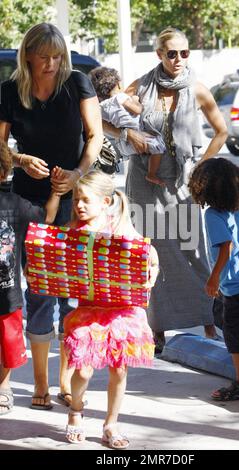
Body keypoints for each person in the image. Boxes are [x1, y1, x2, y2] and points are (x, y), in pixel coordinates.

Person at [102, 27, 228, 353]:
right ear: (159, 54)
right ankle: (156, 329)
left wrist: (202, 167)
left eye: (184, 53)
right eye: (171, 53)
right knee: (152, 254)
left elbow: (221, 132)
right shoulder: (141, 87)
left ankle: (211, 320)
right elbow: (99, 113)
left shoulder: (197, 89)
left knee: (193, 250)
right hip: (143, 184)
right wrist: (128, 136)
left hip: (184, 185)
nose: (178, 59)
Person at [0, 22, 103, 410]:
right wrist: (22, 160)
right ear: (28, 56)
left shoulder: (77, 82)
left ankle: (67, 383)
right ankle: (40, 385)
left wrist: (77, 174)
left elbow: (95, 137)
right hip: (26, 203)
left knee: (72, 295)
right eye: (44, 57)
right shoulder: (11, 91)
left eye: (58, 56)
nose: (52, 63)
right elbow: (0, 144)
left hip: (75, 200)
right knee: (39, 292)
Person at [50, 169, 158, 447]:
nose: (79, 205)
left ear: (106, 202)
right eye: (76, 200)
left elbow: (148, 252)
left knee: (119, 370)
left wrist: (152, 272)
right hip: (89, 311)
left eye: (85, 200)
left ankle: (111, 423)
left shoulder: (118, 225)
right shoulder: (74, 231)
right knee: (83, 369)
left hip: (122, 312)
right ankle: (75, 412)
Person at [189, 157, 239, 401]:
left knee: (232, 333)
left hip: (233, 283)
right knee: (221, 316)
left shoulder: (212, 215)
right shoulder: (235, 207)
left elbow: (225, 248)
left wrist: (213, 279)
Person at [0, 140, 61, 414]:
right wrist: (57, 192)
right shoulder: (17, 203)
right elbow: (47, 217)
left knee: (6, 346)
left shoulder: (14, 203)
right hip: (8, 293)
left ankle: (3, 389)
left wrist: (58, 192)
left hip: (8, 296)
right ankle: (3, 389)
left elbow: (45, 219)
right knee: (6, 346)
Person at [89, 66, 166, 186]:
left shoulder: (102, 106)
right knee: (158, 143)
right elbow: (138, 110)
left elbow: (100, 122)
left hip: (123, 144)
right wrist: (135, 100)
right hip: (136, 136)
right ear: (118, 85)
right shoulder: (121, 97)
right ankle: (152, 173)